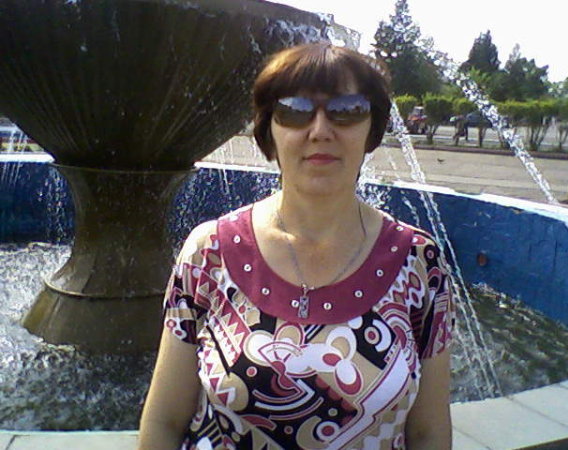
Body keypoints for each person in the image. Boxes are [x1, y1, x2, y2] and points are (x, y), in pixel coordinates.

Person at [138, 42, 454, 450]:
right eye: (294, 110)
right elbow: (164, 420)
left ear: (371, 129)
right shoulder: (208, 252)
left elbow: (428, 432)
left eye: (346, 110)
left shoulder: (420, 262)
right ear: (269, 130)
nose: (320, 130)